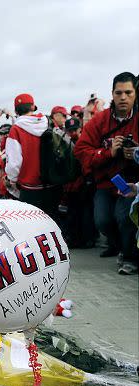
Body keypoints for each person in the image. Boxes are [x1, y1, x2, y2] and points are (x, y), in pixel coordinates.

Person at [74, 72, 138, 275]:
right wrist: (107, 152)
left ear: (135, 94)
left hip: (132, 181)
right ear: (112, 93)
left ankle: (129, 257)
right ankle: (120, 247)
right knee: (102, 221)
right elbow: (81, 151)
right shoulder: (99, 121)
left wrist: (136, 152)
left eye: (128, 92)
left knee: (125, 217)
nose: (123, 97)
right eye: (119, 92)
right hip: (106, 182)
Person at [5, 93, 53, 212]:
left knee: (34, 227)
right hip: (53, 182)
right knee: (55, 222)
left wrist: (13, 180)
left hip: (30, 187)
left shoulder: (16, 129)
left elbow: (14, 163)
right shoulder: (48, 122)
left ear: (16, 111)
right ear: (32, 107)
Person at [62, 117, 95, 249]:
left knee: (85, 213)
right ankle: (77, 239)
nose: (72, 133)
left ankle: (87, 239)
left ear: (80, 129)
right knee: (75, 214)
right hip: (71, 185)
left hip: (84, 183)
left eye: (75, 130)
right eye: (70, 131)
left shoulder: (85, 142)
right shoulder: (65, 144)